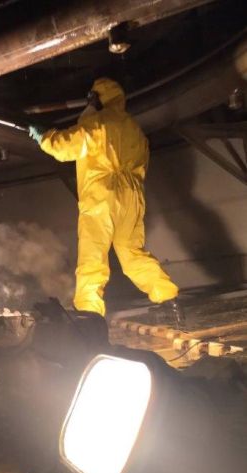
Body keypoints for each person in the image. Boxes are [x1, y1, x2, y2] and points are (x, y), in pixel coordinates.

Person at [29, 78, 184, 332]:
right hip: (132, 196)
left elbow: (65, 147)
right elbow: (143, 161)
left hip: (101, 195)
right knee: (133, 252)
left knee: (93, 256)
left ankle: (89, 317)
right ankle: (169, 301)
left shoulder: (97, 123)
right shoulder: (134, 128)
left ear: (97, 98)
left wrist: (44, 137)